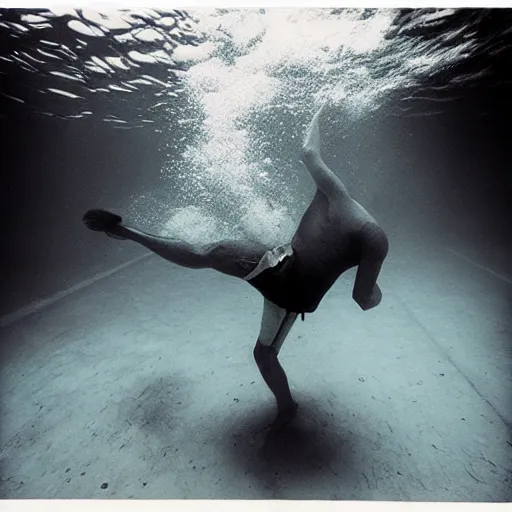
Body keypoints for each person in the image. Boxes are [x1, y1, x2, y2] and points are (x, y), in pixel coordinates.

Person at [83, 102, 389, 434]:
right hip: (280, 262)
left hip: (291, 292)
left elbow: (309, 153)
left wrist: (320, 111)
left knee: (258, 344)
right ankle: (127, 232)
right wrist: (319, 111)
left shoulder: (349, 207)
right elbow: (364, 298)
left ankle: (287, 407)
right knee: (213, 252)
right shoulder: (359, 219)